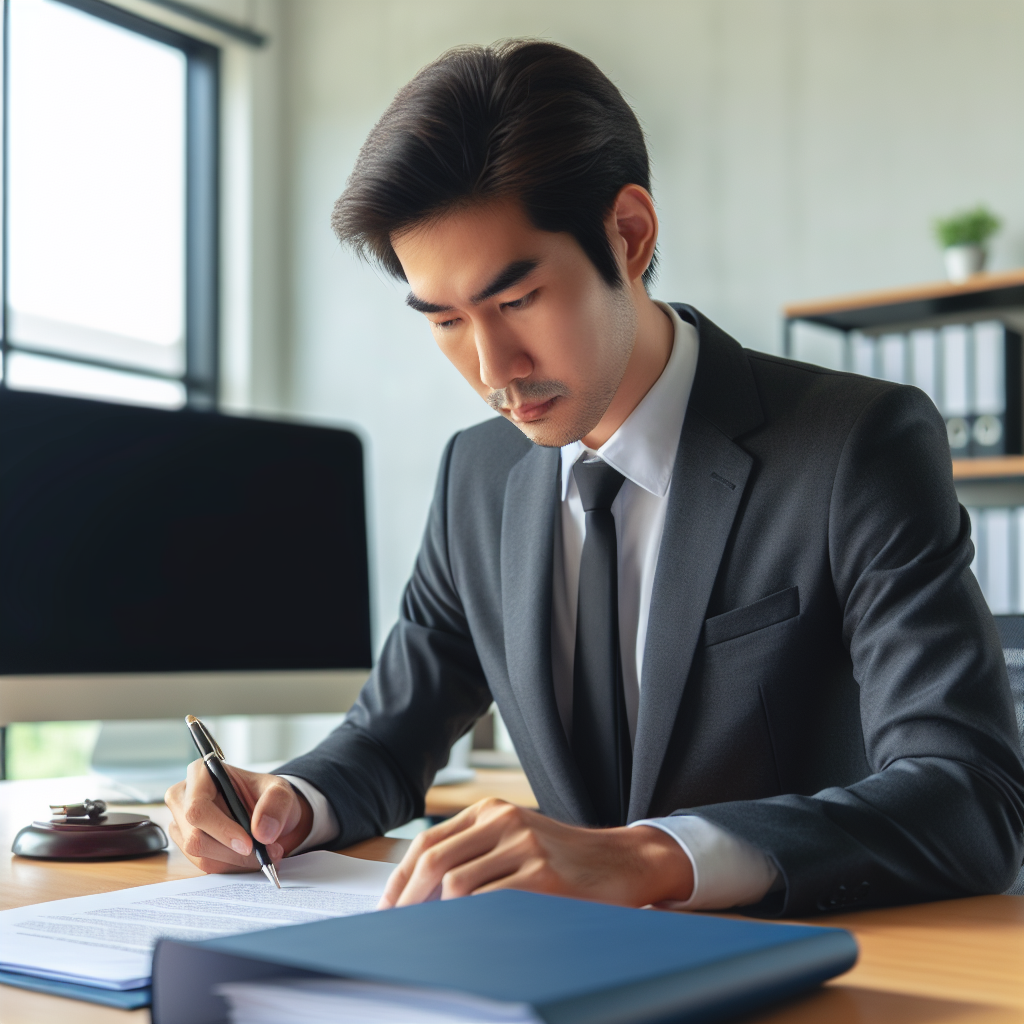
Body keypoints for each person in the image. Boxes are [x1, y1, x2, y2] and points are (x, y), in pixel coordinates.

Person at [166, 40, 1024, 916]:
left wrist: (650, 859)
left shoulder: (855, 444)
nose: (493, 367)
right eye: (447, 320)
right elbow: (388, 740)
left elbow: (970, 796)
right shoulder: (478, 473)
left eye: (517, 301)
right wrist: (285, 805)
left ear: (629, 234)